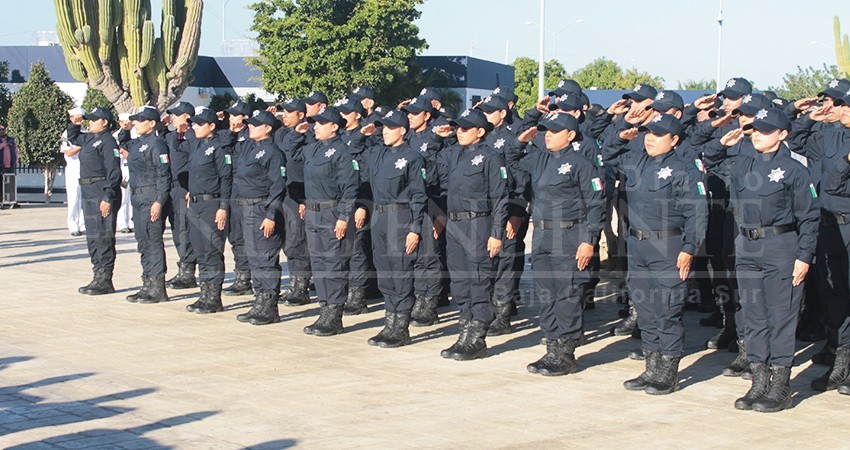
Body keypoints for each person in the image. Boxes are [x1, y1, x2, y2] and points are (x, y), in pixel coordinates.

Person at [708, 108, 819, 412]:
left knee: (781, 317)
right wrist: (723, 142)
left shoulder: (795, 170)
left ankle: (780, 386)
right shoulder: (744, 164)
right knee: (754, 316)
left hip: (781, 246)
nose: (757, 133)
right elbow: (709, 160)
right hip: (747, 247)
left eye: (766, 130)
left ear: (783, 134)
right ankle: (758, 381)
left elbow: (809, 217)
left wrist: (804, 256)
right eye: (755, 129)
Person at [603, 114, 708, 395]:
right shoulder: (637, 161)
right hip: (638, 247)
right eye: (648, 132)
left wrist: (689, 249)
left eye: (658, 134)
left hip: (669, 247)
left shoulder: (684, 169)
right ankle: (651, 368)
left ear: (674, 140)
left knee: (667, 311)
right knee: (646, 311)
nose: (650, 138)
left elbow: (697, 213)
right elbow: (607, 154)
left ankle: (668, 373)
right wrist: (621, 131)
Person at [513, 112, 606, 375]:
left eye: (554, 131)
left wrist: (589, 241)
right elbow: (510, 160)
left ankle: (566, 352)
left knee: (567, 294)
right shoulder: (540, 159)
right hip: (543, 236)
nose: (547, 135)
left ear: (571, 135)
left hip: (570, 236)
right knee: (547, 294)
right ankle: (552, 347)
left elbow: (596, 204)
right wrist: (521, 140)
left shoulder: (582, 164)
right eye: (545, 131)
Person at [434, 108, 509, 361]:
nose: (460, 131)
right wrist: (437, 137)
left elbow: (500, 198)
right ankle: (464, 333)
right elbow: (428, 168)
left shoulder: (491, 158)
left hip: (479, 225)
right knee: (460, 282)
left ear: (480, 132)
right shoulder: (451, 153)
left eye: (465, 128)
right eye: (458, 127)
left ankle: (477, 338)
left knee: (479, 281)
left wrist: (496, 233)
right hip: (455, 226)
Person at [358, 109, 427, 347]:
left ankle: (401, 327)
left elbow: (419, 196)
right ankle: (389, 322)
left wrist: (415, 228)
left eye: (390, 128)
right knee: (384, 271)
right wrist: (362, 134)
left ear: (403, 131)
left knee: (400, 271)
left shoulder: (413, 158)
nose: (384, 131)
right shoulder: (377, 154)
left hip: (401, 217)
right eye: (383, 128)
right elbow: (355, 154)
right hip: (379, 217)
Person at [295, 106, 359, 336]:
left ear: (334, 126)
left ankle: (334, 314)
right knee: (319, 262)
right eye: (315, 123)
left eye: (321, 123)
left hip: (332, 213)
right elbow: (293, 163)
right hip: (313, 212)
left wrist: (344, 216)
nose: (315, 127)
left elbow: (350, 188)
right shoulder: (312, 149)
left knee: (333, 263)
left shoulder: (343, 152)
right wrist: (297, 133)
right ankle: (324, 308)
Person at [232, 110, 287, 325]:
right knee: (254, 258)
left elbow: (278, 186)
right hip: (247, 209)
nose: (250, 127)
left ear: (268, 128)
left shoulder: (273, 153)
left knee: (265, 259)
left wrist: (271, 214)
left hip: (263, 209)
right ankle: (260, 301)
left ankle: (269, 306)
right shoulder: (249, 149)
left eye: (255, 125)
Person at [118, 106, 172, 304]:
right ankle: (147, 283)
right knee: (142, 242)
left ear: (151, 123)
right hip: (138, 197)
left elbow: (164, 175)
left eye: (141, 121)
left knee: (153, 242)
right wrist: (124, 128)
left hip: (151, 196)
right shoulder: (138, 143)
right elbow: (122, 142)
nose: (136, 124)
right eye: (136, 121)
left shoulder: (157, 144)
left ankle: (158, 287)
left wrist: (159, 201)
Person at [401, 96, 448, 326]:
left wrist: (440, 213)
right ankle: (417, 299)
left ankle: (429, 304)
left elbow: (444, 179)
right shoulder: (407, 138)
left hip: (431, 204)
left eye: (415, 112)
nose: (410, 116)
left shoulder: (438, 138)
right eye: (408, 113)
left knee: (429, 257)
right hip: (409, 205)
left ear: (427, 115)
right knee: (414, 258)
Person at [183, 108, 234, 314]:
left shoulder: (219, 148)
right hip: (196, 204)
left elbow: (226, 179)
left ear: (212, 126)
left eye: (200, 124)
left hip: (212, 205)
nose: (195, 127)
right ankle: (204, 294)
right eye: (194, 123)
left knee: (212, 250)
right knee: (200, 250)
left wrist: (223, 207)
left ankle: (214, 297)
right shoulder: (197, 146)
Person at [67, 107, 122, 295]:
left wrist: (108, 196)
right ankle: (96, 273)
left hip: (101, 190)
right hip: (88, 190)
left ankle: (105, 279)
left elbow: (114, 171)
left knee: (103, 235)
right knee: (92, 236)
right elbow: (73, 137)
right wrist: (76, 121)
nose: (89, 122)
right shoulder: (90, 139)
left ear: (104, 122)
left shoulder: (108, 142)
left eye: (93, 120)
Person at [819, 92, 850, 396]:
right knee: (835, 297)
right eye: (844, 106)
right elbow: (829, 183)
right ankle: (840, 363)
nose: (844, 111)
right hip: (830, 224)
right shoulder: (835, 136)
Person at [273, 98, 313, 306]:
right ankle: (293, 284)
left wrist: (305, 199)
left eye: (289, 112)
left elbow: (304, 165)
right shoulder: (280, 133)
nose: (285, 115)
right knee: (286, 241)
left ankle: (301, 287)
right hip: (281, 192)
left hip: (298, 196)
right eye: (284, 112)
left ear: (301, 115)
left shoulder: (309, 133)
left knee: (297, 242)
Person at [162, 102, 199, 290]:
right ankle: (183, 266)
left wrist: (193, 188)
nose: (173, 118)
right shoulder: (170, 135)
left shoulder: (193, 135)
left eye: (176, 115)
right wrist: (162, 125)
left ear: (186, 116)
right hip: (170, 187)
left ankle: (188, 272)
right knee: (176, 229)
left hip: (185, 188)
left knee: (184, 230)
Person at [221, 102, 255, 297]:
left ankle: (247, 277)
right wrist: (231, 133)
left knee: (245, 235)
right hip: (231, 188)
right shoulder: (230, 136)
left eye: (235, 115)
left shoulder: (250, 137)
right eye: (230, 115)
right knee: (235, 235)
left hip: (245, 188)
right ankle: (241, 275)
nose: (231, 119)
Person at [61, 108, 85, 236]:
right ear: (71, 119)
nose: (79, 121)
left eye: (81, 118)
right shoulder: (67, 134)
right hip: (73, 169)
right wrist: (82, 146)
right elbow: (68, 152)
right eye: (77, 118)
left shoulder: (85, 132)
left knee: (84, 197)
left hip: (85, 168)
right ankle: (73, 225)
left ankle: (82, 224)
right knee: (74, 197)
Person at [115, 113, 134, 234]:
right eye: (123, 122)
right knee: (123, 198)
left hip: (133, 168)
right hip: (123, 168)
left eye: (128, 122)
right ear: (119, 123)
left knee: (132, 198)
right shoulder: (116, 136)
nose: (126, 124)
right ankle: (122, 223)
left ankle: (131, 222)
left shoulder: (135, 134)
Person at [0, 123, 17, 207]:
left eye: (3, 130)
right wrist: (3, 145)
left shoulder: (10, 139)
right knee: (1, 184)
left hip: (10, 164)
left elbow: (15, 150)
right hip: (1, 165)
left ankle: (11, 200)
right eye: (0, 130)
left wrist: (16, 160)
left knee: (11, 183)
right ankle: (1, 201)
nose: (2, 131)